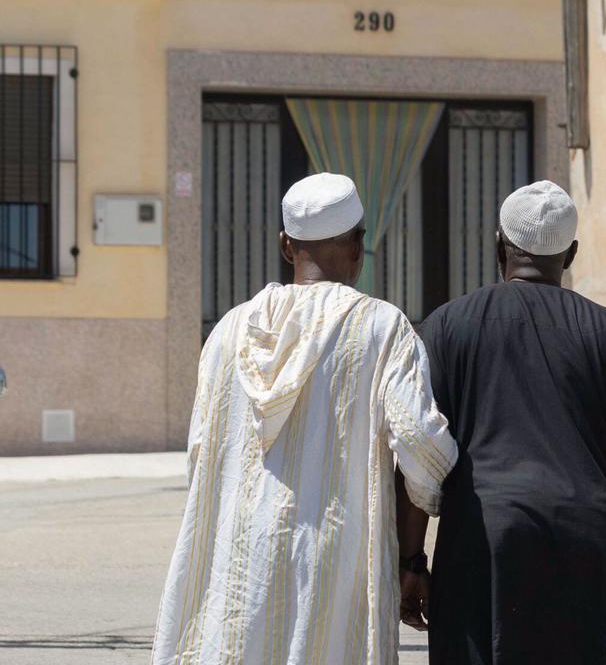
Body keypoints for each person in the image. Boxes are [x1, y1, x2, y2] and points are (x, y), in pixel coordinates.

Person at [151, 173, 457, 665]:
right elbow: (421, 444)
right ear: (359, 246)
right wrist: (415, 550)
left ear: (285, 246)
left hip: (239, 562)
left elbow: (201, 449)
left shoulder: (230, 330)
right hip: (334, 566)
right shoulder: (382, 327)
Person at [400, 180, 606, 664]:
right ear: (570, 254)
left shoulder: (446, 327)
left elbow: (421, 450)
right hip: (594, 547)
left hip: (484, 544)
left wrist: (412, 560)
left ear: (499, 244)